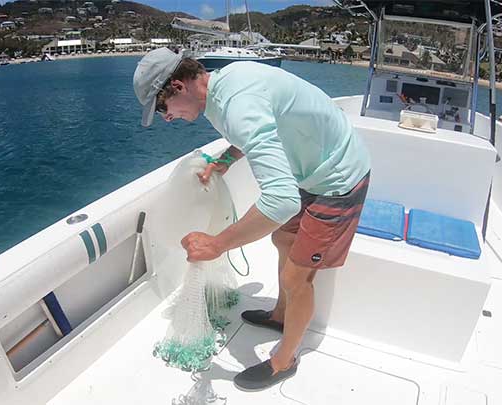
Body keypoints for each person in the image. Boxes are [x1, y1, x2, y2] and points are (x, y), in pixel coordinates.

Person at [133, 48, 371, 391]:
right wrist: (228, 158)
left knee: (296, 275)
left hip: (338, 179)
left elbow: (282, 200)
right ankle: (279, 316)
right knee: (282, 239)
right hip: (311, 167)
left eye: (161, 108)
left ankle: (284, 360)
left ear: (178, 87)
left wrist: (218, 244)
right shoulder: (224, 86)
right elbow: (262, 126)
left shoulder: (235, 105)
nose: (166, 118)